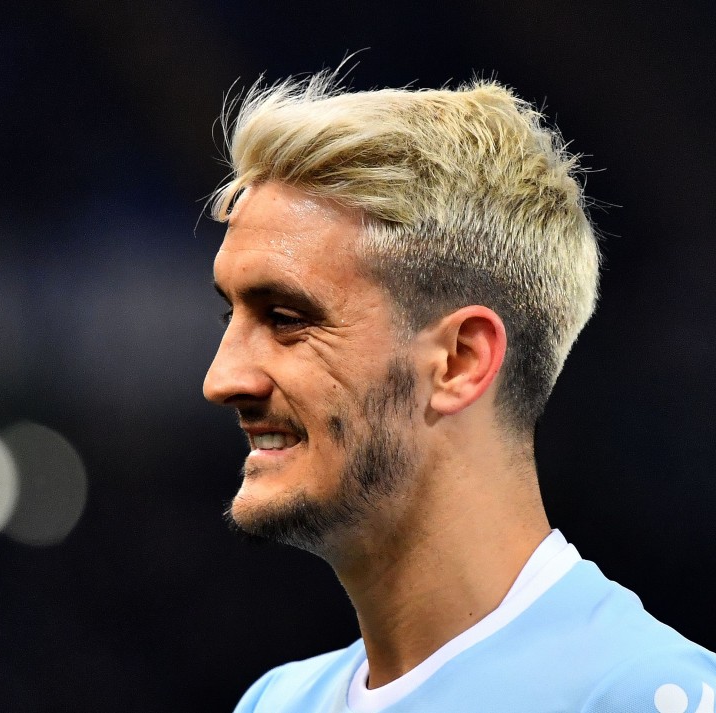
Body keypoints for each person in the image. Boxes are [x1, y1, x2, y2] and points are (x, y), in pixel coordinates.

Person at [202, 72, 716, 713]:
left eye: (285, 319)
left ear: (459, 362)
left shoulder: (644, 695)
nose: (222, 380)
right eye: (230, 316)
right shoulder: (275, 702)